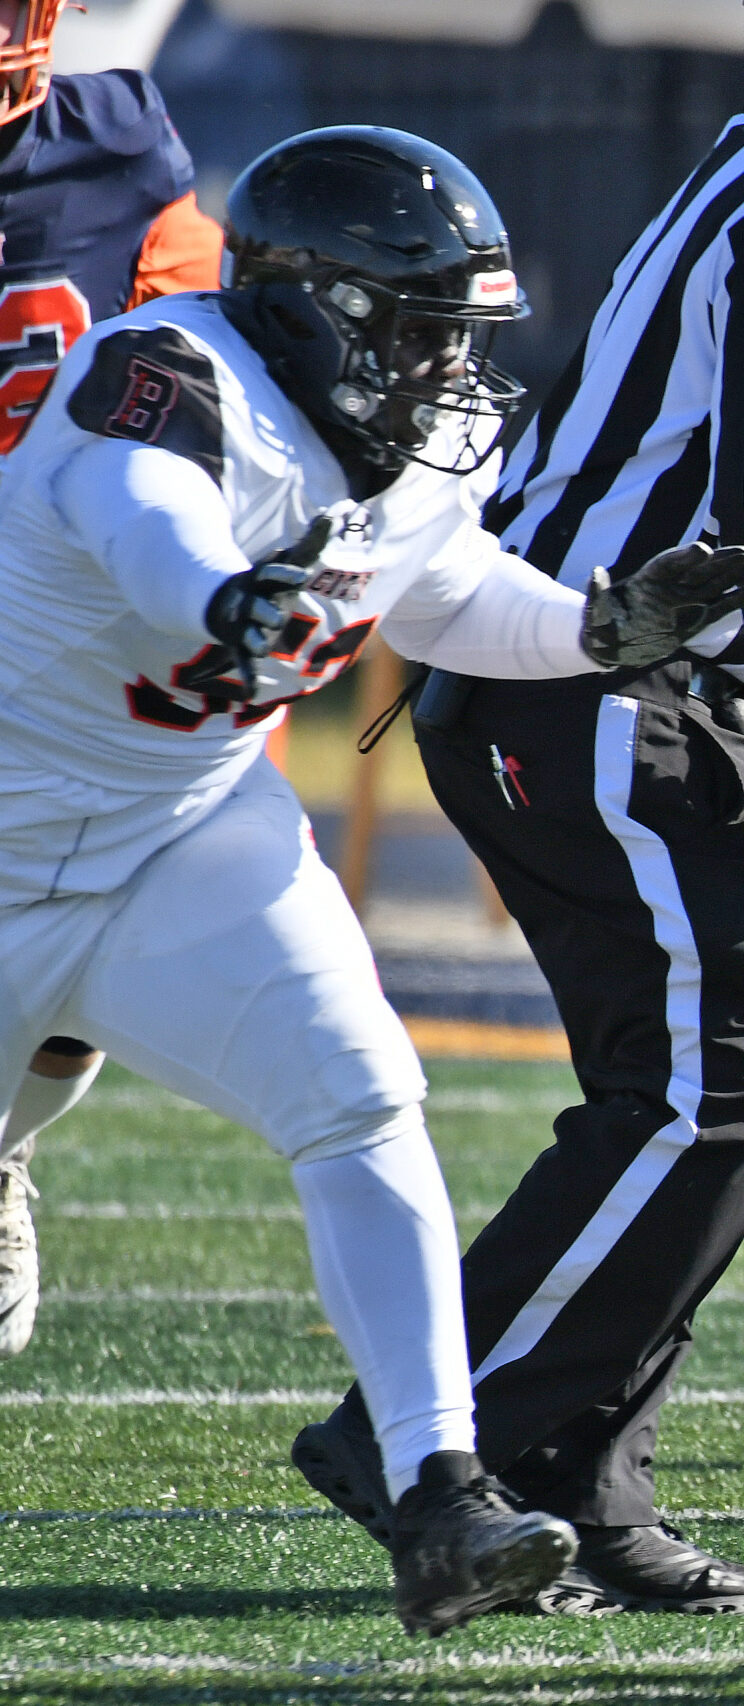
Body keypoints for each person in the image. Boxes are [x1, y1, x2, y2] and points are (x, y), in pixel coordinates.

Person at [291, 0, 744, 1617]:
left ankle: (578, 1485)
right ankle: (433, 1441)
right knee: (711, 1091)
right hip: (620, 696)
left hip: (598, 690)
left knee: (691, 1090)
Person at [0, 122, 744, 1634]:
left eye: (455, 341)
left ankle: (438, 1491)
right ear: (308, 307)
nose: (446, 375)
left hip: (178, 831)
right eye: (419, 336)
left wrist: (596, 632)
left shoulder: (413, 445)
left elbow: (449, 586)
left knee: (363, 1092)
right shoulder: (168, 372)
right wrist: (228, 597)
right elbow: (143, 522)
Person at [0, 0, 227, 1360]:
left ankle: (3, 1150)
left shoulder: (123, 151)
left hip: (58, 626)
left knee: (79, 958)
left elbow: (205, 360)